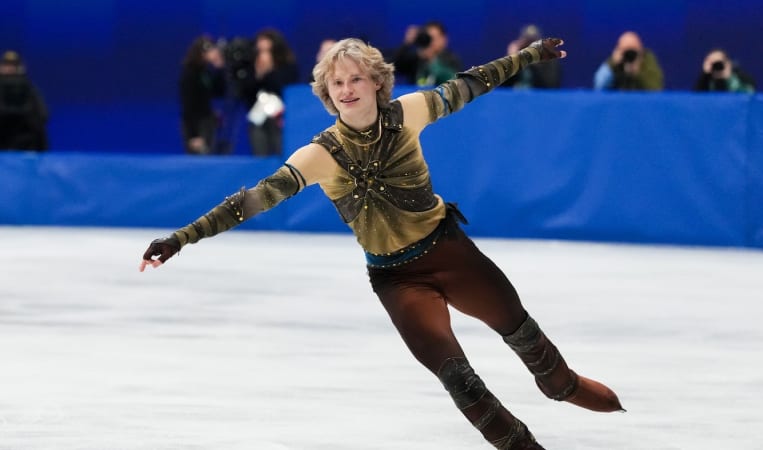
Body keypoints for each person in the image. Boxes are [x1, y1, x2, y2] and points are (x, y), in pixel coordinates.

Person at [140, 37, 623, 449]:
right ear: (327, 94)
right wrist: (182, 238)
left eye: (355, 79)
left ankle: (563, 385)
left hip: (450, 252)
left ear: (375, 81)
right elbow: (249, 201)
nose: (347, 90)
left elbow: (470, 85)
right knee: (459, 380)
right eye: (337, 84)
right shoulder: (318, 155)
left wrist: (526, 57)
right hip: (396, 279)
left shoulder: (409, 111)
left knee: (527, 341)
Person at [240, 28, 300, 157]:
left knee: (282, 154)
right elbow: (246, 93)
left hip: (281, 119)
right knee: (260, 154)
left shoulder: (287, 66)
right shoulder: (251, 67)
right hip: (258, 119)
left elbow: (284, 89)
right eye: (260, 50)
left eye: (267, 50)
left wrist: (270, 71)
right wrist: (259, 74)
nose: (263, 55)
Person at [179, 35, 226, 155]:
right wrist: (193, 135)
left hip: (206, 122)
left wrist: (219, 68)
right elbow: (188, 104)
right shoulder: (190, 73)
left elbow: (218, 91)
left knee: (209, 156)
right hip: (196, 125)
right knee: (199, 158)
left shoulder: (205, 72)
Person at [0, 50, 48, 151]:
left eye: (13, 66)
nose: (10, 69)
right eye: (7, 65)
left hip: (26, 146)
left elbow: (43, 115)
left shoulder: (29, 90)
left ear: (20, 68)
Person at [389, 21, 462, 86]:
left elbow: (455, 82)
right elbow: (391, 67)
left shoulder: (451, 59)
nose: (430, 43)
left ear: (443, 39)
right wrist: (407, 44)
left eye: (433, 38)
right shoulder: (416, 58)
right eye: (428, 38)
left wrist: (432, 60)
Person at [593, 31, 664, 91]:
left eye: (633, 50)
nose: (629, 55)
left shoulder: (647, 60)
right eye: (626, 51)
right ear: (619, 50)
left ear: (641, 49)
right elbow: (598, 86)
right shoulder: (614, 62)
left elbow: (655, 89)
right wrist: (613, 64)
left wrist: (637, 73)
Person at [502, 24, 561, 89]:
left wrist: (535, 64)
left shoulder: (550, 62)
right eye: (527, 43)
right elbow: (502, 85)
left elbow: (551, 85)